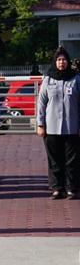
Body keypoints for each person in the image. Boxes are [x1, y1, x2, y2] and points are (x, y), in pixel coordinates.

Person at [36, 46, 80, 199]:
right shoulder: (48, 79)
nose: (62, 62)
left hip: (72, 127)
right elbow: (41, 103)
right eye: (59, 60)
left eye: (64, 60)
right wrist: (40, 124)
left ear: (68, 62)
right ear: (55, 62)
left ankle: (71, 187)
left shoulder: (76, 79)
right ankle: (57, 188)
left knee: (72, 160)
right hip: (51, 127)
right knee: (54, 159)